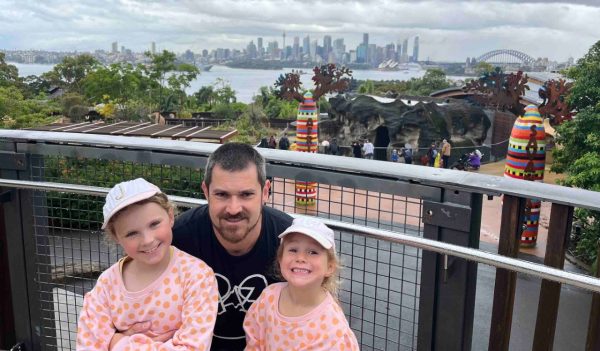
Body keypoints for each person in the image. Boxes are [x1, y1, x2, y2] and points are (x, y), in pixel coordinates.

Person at [171, 143, 294, 350]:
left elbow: (319, 308)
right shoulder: (179, 239)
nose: (234, 208)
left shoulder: (290, 240)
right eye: (222, 195)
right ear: (206, 191)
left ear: (265, 192)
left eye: (246, 195)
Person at [76, 178, 219, 351]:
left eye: (154, 224)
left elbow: (193, 347)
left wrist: (118, 343)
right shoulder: (106, 285)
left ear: (171, 216)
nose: (147, 240)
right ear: (116, 237)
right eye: (131, 233)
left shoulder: (197, 276)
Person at [243, 217, 360, 350]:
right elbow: (254, 338)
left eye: (313, 252)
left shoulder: (332, 326)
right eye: (293, 250)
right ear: (280, 259)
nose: (300, 258)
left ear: (330, 267)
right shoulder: (268, 297)